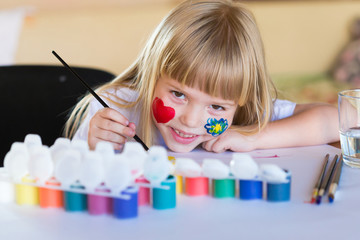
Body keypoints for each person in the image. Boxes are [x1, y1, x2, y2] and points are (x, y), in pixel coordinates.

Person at [65, 0, 339, 153]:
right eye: (179, 94)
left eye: (217, 107)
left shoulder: (247, 119)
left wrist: (253, 138)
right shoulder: (116, 106)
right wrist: (93, 147)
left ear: (240, 102)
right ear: (153, 72)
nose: (191, 120)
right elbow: (65, 176)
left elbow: (346, 117)